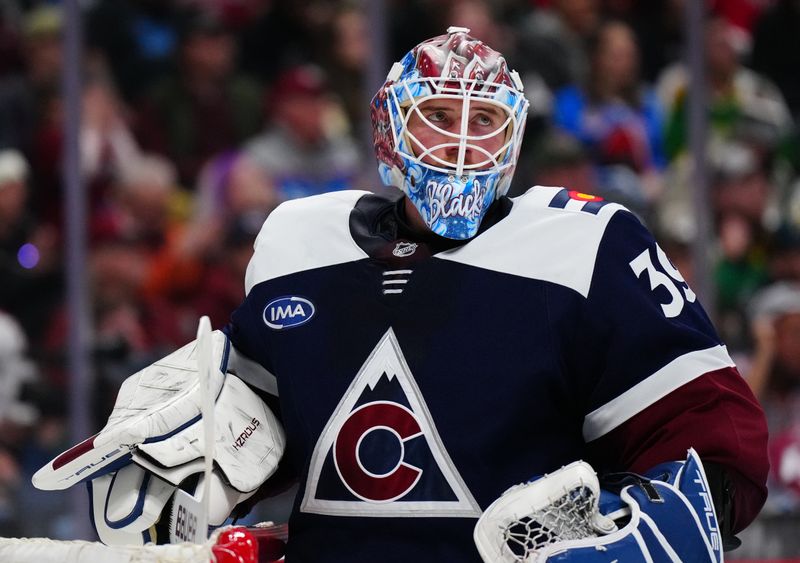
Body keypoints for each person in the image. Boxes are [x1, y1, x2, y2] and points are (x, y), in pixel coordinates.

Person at [33, 28, 768, 562]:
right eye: (439, 118)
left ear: (513, 141)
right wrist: (192, 466)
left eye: (483, 123)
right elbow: (255, 429)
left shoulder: (590, 246)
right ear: (389, 128)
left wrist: (652, 525)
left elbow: (718, 445)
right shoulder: (297, 242)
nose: (459, 147)